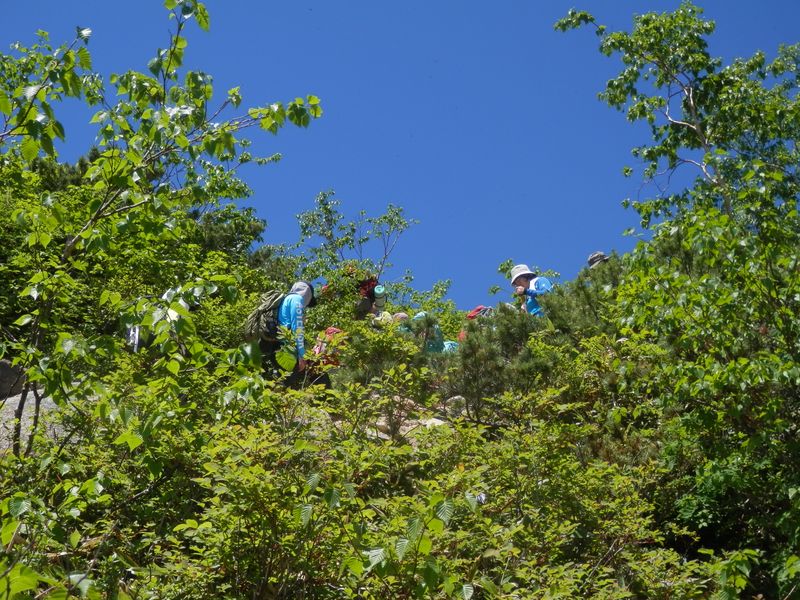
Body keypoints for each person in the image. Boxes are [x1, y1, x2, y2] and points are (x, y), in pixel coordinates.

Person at [261, 281, 317, 388]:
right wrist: (302, 356)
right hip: (286, 348)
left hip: (275, 345)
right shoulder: (297, 299)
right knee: (284, 383)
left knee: (279, 380)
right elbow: (297, 329)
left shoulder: (286, 299)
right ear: (307, 294)